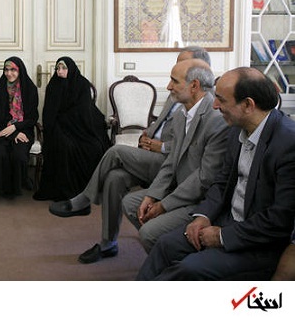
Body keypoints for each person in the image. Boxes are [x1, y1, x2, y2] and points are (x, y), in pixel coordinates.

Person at [48, 49, 211, 263]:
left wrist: (161, 146)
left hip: (167, 161)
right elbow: (159, 121)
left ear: (197, 74)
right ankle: (108, 243)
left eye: (180, 68)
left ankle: (84, 200)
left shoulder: (208, 107)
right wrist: (147, 134)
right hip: (151, 152)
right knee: (114, 178)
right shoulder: (176, 96)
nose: (170, 82)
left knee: (116, 151)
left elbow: (189, 148)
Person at [138, 67, 295, 280]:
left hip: (258, 243)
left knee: (189, 269)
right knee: (165, 245)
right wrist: (203, 216)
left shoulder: (288, 143)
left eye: (221, 99)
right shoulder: (236, 129)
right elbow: (221, 182)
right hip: (224, 221)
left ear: (248, 105)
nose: (214, 105)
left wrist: (222, 236)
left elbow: (280, 219)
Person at [121, 59, 228, 253]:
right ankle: (166, 254)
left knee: (149, 232)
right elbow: (171, 162)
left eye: (174, 81)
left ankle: (171, 259)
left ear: (194, 86)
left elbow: (204, 178)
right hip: (179, 188)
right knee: (131, 203)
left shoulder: (216, 120)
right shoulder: (181, 114)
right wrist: (152, 195)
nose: (169, 86)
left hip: (201, 199)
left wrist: (164, 205)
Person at [33, 57, 110, 201]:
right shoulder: (53, 85)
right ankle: (66, 189)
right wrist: (59, 122)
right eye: (57, 68)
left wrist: (69, 119)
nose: (60, 71)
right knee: (65, 146)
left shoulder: (82, 84)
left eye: (64, 68)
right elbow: (49, 112)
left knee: (94, 146)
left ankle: (89, 188)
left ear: (71, 69)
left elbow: (84, 109)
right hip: (59, 126)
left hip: (81, 126)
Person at [0, 57, 38, 197]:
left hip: (24, 130)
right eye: (6, 70)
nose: (9, 73)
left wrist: (16, 127)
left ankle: (16, 186)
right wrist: (13, 132)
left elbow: (32, 118)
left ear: (20, 71)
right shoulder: (0, 88)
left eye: (13, 70)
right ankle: (0, 188)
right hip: (2, 129)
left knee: (19, 155)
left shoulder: (30, 89)